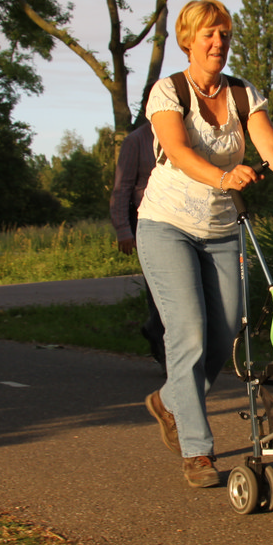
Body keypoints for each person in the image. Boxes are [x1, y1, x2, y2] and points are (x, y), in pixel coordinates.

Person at [137, 0, 273, 489]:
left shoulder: (243, 94)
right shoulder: (168, 91)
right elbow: (178, 152)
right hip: (166, 225)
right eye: (208, 34)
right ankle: (197, 451)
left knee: (225, 333)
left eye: (224, 34)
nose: (218, 42)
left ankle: (168, 400)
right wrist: (224, 176)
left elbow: (272, 147)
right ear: (188, 40)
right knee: (188, 333)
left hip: (223, 229)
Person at [109, 119, 165, 365]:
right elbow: (122, 187)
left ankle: (154, 328)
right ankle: (166, 354)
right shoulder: (135, 141)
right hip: (146, 219)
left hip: (182, 218)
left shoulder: (186, 132)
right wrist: (123, 229)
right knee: (160, 287)